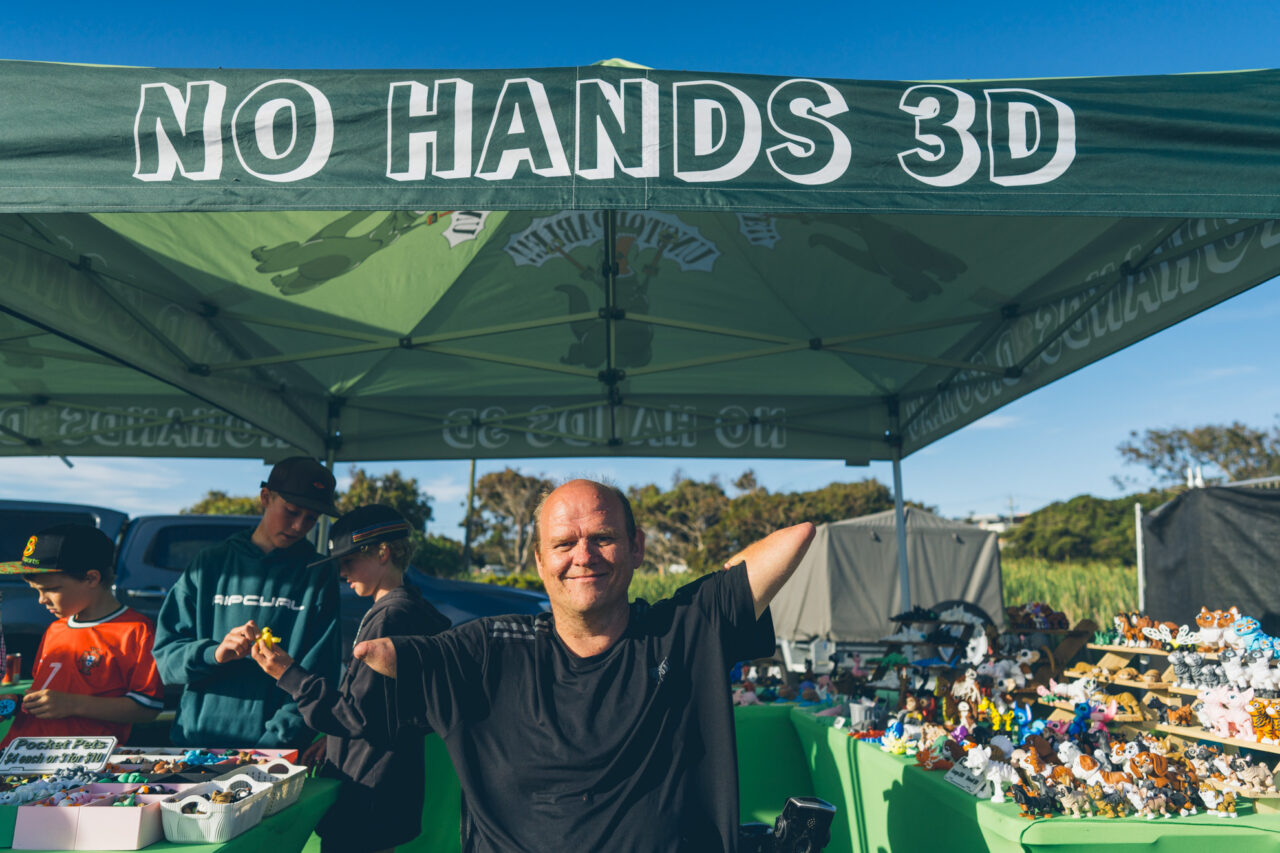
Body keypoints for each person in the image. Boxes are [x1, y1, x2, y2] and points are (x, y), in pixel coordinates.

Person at [354, 478, 815, 853]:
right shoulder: (488, 647)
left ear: (637, 548)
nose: (583, 556)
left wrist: (717, 584)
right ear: (539, 560)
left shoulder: (681, 629)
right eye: (563, 544)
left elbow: (797, 537)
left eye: (604, 538)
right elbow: (394, 665)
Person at [251, 504, 451, 853]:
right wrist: (334, 739)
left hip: (368, 795)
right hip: (388, 787)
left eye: (349, 561)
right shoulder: (413, 611)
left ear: (384, 552)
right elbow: (381, 709)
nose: (342, 572)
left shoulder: (390, 619)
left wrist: (289, 674)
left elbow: (356, 716)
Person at [152, 456, 342, 748]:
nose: (298, 525)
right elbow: (166, 659)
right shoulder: (211, 564)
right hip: (194, 744)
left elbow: (319, 675)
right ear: (265, 497)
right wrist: (214, 653)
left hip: (272, 753)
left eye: (311, 518)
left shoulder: (318, 574)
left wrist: (271, 748)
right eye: (291, 511)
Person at [0, 524, 163, 747]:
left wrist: (73, 705)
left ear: (91, 579)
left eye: (51, 589)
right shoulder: (55, 628)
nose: (41, 600)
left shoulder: (136, 631)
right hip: (23, 752)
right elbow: (48, 693)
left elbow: (147, 708)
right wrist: (17, 703)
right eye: (36, 590)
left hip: (80, 759)